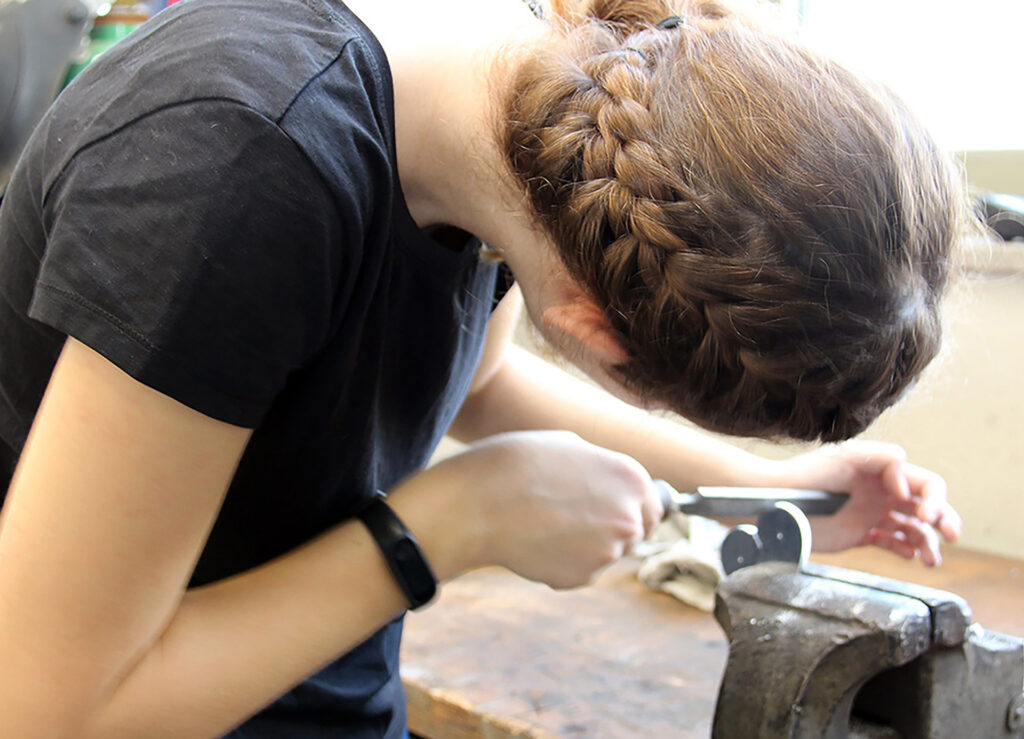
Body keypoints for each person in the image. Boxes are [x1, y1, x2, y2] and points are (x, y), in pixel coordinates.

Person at [0, 0, 966, 736]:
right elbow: (50, 709)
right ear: (589, 324)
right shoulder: (237, 169)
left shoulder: (543, 114)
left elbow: (476, 380)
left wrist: (764, 489)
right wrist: (454, 524)